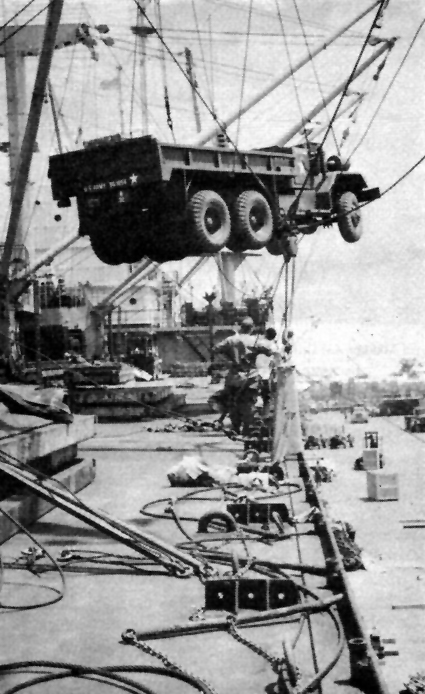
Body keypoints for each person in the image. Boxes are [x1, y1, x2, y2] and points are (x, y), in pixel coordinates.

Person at [212, 317, 271, 433]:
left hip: (234, 376)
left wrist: (228, 358)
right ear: (252, 328)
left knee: (232, 402)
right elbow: (269, 351)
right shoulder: (255, 341)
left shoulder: (231, 340)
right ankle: (248, 428)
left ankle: (235, 427)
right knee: (249, 403)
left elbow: (215, 349)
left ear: (240, 327)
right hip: (250, 377)